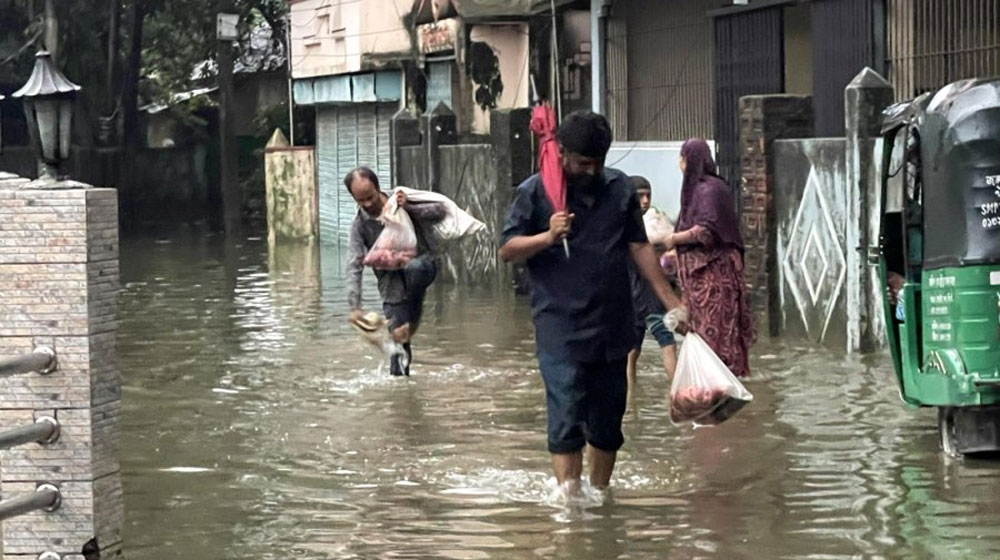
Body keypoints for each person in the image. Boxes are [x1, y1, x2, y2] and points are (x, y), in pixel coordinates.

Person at [499, 110, 683, 496]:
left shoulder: (618, 189)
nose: (592, 169)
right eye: (584, 162)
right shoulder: (533, 192)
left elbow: (639, 246)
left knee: (607, 421)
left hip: (612, 323)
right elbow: (508, 250)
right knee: (565, 417)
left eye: (599, 162)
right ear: (561, 152)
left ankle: (598, 498)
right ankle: (568, 501)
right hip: (559, 326)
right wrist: (547, 236)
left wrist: (672, 302)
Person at [665, 139, 754, 378]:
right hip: (696, 284)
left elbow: (707, 231)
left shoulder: (711, 190)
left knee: (718, 339)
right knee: (699, 337)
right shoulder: (692, 192)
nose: (680, 163)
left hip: (715, 280)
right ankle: (707, 394)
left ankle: (722, 392)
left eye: (682, 158)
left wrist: (674, 239)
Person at [345, 167, 445, 376]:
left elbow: (440, 212)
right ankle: (400, 393)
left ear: (378, 188)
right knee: (397, 345)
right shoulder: (359, 226)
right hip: (391, 283)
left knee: (414, 268)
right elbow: (354, 265)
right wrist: (355, 307)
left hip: (422, 265)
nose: (368, 204)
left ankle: (412, 323)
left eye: (370, 197)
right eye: (360, 201)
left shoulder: (400, 199)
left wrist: (408, 206)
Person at [626, 176, 677, 390]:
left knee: (632, 351)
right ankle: (677, 392)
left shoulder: (645, 222)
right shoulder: (636, 226)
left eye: (648, 195)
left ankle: (630, 399)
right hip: (647, 293)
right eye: (640, 196)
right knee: (667, 343)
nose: (646, 201)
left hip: (632, 295)